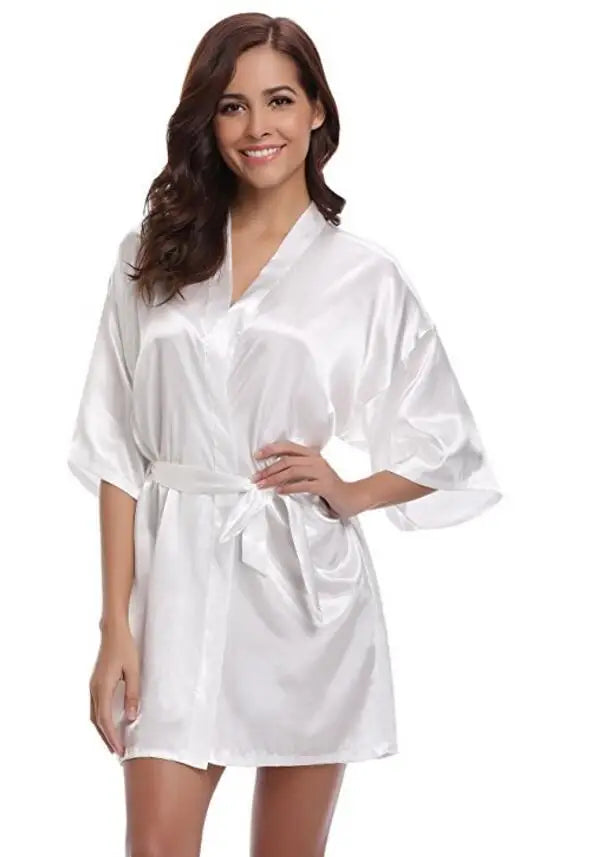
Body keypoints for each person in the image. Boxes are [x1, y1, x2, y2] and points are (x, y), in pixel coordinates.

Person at [66, 12, 503, 857]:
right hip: (176, 588)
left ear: (316, 112)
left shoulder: (364, 277)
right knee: (155, 845)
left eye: (278, 101)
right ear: (208, 120)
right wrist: (115, 624)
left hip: (304, 592)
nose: (256, 127)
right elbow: (115, 447)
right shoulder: (151, 258)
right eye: (232, 105)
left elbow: (446, 442)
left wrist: (351, 491)